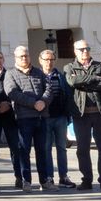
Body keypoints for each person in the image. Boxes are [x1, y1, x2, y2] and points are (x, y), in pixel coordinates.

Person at [4, 45, 56, 192]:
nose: (24, 58)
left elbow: (49, 89)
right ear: (16, 58)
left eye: (26, 55)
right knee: (24, 150)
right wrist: (33, 103)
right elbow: (13, 93)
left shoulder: (39, 72)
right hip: (24, 118)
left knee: (42, 150)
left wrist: (43, 102)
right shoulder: (11, 74)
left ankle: (45, 181)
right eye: (21, 56)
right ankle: (26, 181)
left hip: (42, 117)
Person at [64, 39, 101, 191]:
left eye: (87, 48)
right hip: (81, 114)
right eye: (81, 49)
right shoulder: (69, 67)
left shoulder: (100, 65)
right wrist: (93, 78)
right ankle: (87, 179)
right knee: (82, 149)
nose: (84, 51)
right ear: (75, 51)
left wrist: (83, 82)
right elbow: (72, 82)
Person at [0, 50, 24, 189]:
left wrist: (8, 104)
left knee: (16, 147)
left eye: (0, 58)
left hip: (10, 115)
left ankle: (19, 177)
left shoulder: (11, 74)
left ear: (3, 59)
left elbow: (18, 91)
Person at [38, 49, 73, 189]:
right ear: (40, 61)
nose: (49, 62)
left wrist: (68, 113)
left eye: (51, 59)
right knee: (46, 149)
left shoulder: (61, 76)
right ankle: (49, 177)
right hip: (45, 118)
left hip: (60, 117)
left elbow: (68, 95)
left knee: (62, 148)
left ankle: (63, 177)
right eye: (46, 59)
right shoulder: (37, 76)